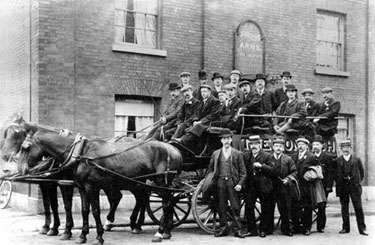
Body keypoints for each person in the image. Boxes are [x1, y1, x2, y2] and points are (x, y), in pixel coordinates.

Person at [206, 128, 246, 238]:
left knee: (235, 207)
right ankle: (223, 229)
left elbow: (243, 172)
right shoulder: (216, 154)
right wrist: (211, 182)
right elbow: (210, 170)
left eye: (228, 138)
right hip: (220, 183)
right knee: (221, 207)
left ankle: (238, 230)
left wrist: (240, 184)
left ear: (231, 139)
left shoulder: (237, 154)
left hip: (233, 183)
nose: (226, 141)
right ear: (221, 141)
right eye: (224, 139)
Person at [243, 135, 275, 238]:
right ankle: (252, 230)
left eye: (256, 144)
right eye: (252, 144)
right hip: (251, 186)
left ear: (260, 144)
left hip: (264, 186)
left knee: (265, 208)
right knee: (248, 208)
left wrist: (262, 166)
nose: (254, 146)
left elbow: (272, 169)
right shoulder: (246, 156)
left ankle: (263, 230)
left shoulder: (267, 156)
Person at [335, 139, 368, 236]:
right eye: (344, 147)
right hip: (343, 187)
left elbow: (361, 173)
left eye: (347, 147)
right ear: (341, 149)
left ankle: (362, 229)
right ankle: (345, 228)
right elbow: (335, 174)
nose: (346, 149)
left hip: (354, 187)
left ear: (350, 148)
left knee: (358, 207)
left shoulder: (356, 160)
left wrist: (356, 182)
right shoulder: (337, 160)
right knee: (344, 208)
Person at [291, 136, 319, 235]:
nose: (300, 147)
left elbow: (318, 169)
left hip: (307, 186)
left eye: (302, 145)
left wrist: (311, 175)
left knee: (307, 207)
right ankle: (296, 226)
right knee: (295, 206)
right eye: (299, 145)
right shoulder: (293, 156)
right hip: (295, 185)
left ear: (307, 146)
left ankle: (307, 228)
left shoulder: (311, 157)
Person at [270, 137, 297, 236]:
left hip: (283, 188)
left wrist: (288, 179)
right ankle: (269, 229)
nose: (278, 148)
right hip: (271, 188)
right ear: (273, 147)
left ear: (283, 148)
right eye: (276, 146)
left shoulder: (288, 159)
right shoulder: (268, 158)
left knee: (285, 209)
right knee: (269, 208)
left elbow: (295, 172)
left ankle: (286, 229)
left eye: (280, 146)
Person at [312, 134, 335, 233]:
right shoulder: (310, 156)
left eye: (317, 144)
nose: (315, 146)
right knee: (310, 205)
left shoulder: (327, 157)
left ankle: (320, 226)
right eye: (314, 144)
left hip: (324, 185)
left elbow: (331, 173)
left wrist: (329, 186)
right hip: (312, 185)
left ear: (322, 146)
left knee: (322, 206)